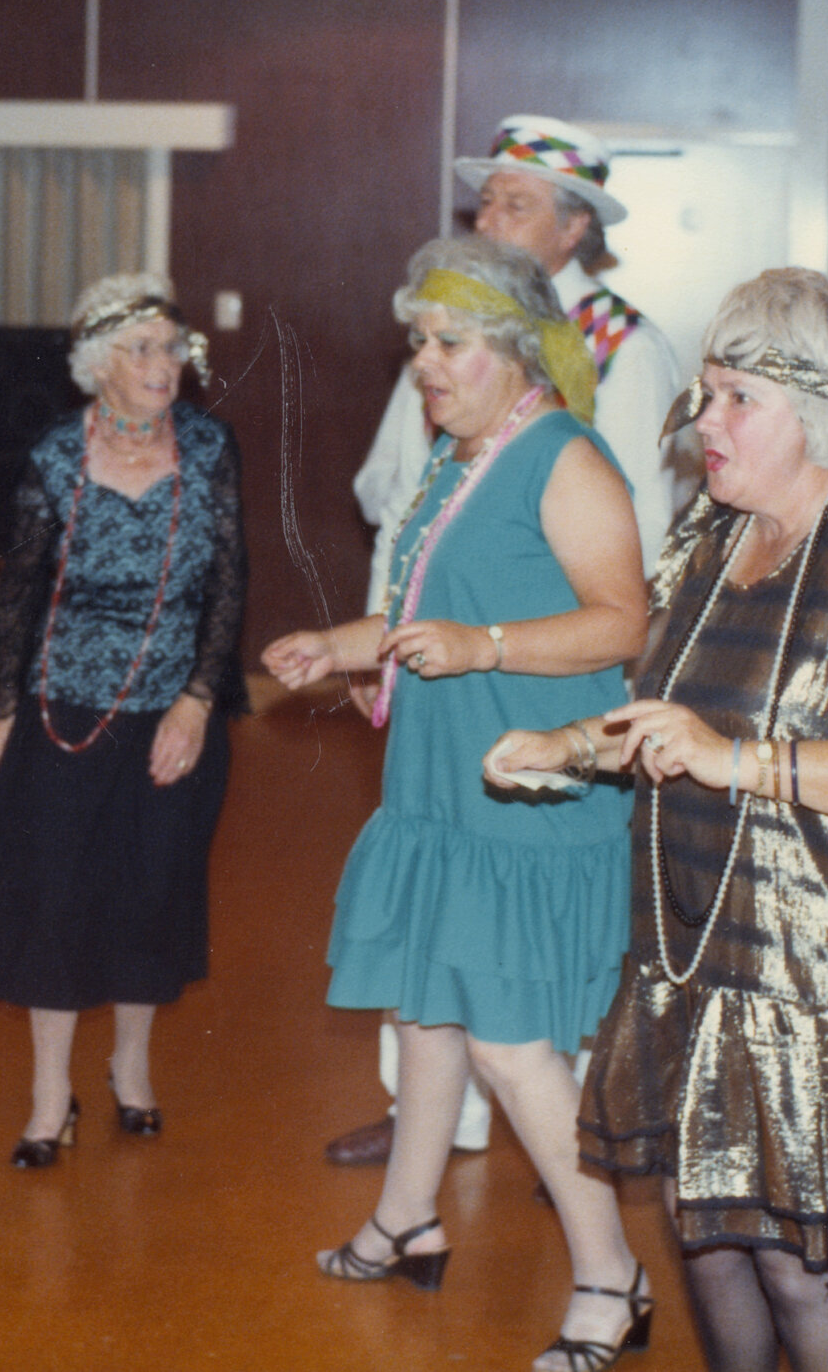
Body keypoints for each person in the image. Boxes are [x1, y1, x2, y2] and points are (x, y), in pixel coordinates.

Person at [486, 267, 828, 1372]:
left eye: (731, 399)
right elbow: (677, 724)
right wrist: (569, 747)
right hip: (704, 953)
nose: (700, 422)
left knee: (795, 1268)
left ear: (814, 416)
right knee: (713, 1245)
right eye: (702, 395)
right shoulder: (714, 539)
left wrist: (735, 760)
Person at [265, 237, 651, 1372]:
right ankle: (405, 1218)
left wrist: (483, 645)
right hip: (441, 785)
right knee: (426, 1012)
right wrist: (336, 646)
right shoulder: (455, 454)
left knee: (509, 1043)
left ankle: (609, 1277)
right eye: (417, 342)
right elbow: (419, 612)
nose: (424, 363)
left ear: (514, 348)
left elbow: (622, 620)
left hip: (524, 794)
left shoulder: (563, 458)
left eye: (447, 342)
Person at [332, 113, 685, 1168]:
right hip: (435, 665)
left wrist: (501, 647)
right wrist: (375, 649)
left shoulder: (624, 347)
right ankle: (428, 1139)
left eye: (516, 203)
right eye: (484, 200)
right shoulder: (448, 333)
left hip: (537, 675)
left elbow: (632, 547)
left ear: (574, 230)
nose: (489, 215)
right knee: (437, 908)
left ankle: (566, 1138)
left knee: (523, 962)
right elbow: (401, 499)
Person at [0, 272, 244, 1169]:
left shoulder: (208, 446)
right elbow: (20, 592)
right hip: (64, 707)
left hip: (171, 710)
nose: (165, 366)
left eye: (173, 347)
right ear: (97, 365)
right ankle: (51, 1093)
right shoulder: (52, 458)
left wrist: (198, 700)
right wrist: (5, 708)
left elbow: (227, 584)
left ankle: (131, 1062)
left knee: (148, 891)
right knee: (54, 899)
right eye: (142, 350)